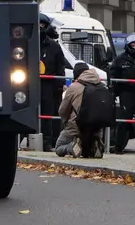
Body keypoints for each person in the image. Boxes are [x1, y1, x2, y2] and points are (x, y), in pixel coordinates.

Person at [55, 62, 111, 158]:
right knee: (86, 153)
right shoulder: (102, 86)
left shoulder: (74, 87)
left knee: (58, 148)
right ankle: (95, 146)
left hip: (75, 128)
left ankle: (71, 147)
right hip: (96, 129)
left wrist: (66, 122)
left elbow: (62, 110)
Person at [39, 14, 71, 151]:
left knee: (48, 113)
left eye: (43, 25)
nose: (40, 28)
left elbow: (60, 67)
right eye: (38, 25)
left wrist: (60, 84)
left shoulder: (54, 46)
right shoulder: (26, 43)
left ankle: (48, 142)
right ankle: (22, 139)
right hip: (28, 83)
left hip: (48, 84)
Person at [109, 33, 135, 154]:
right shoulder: (120, 59)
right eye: (132, 44)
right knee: (124, 122)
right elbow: (113, 75)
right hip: (126, 93)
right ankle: (118, 147)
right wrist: (116, 91)